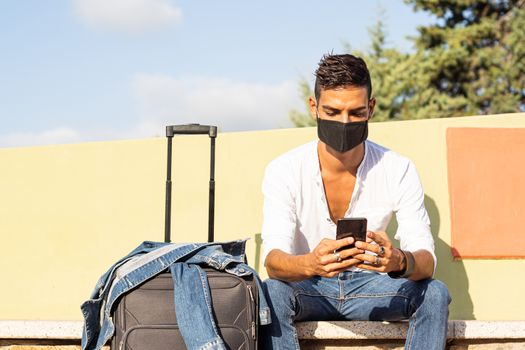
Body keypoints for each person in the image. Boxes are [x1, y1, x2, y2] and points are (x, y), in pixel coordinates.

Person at [260, 53, 451, 349]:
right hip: (310, 287)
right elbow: (273, 261)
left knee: (434, 293)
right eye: (333, 112)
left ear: (371, 109)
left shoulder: (398, 167)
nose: (345, 122)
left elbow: (426, 262)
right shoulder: (284, 169)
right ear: (314, 108)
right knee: (270, 291)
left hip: (372, 286)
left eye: (356, 112)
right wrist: (311, 263)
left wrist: (399, 261)